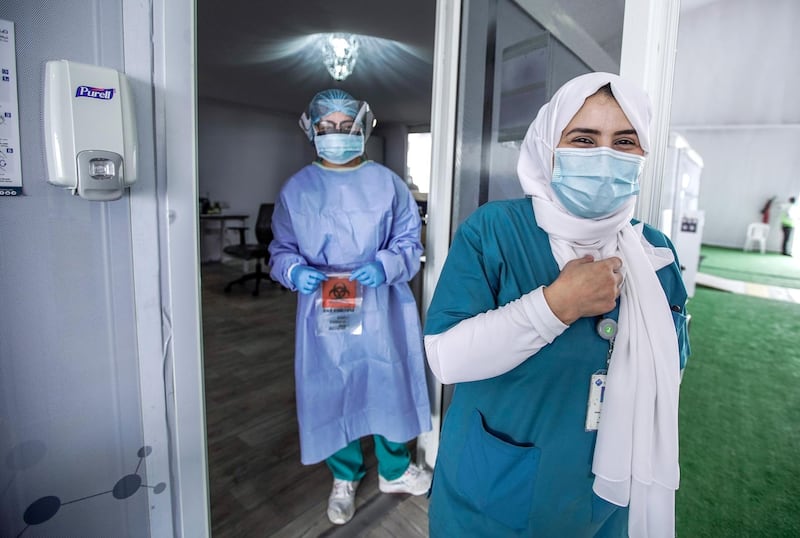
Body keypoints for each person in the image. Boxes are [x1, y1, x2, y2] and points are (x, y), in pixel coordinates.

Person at [423, 73, 691, 537]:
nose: (604, 156)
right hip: (497, 496)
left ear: (643, 153)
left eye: (624, 141)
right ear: (550, 145)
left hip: (606, 496)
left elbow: (675, 361)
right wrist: (554, 306)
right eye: (583, 139)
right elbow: (445, 358)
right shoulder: (494, 230)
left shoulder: (654, 252)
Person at [268, 89, 432, 526]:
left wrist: (387, 265)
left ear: (363, 128)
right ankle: (344, 476)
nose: (337, 134)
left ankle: (395, 470)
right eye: (328, 127)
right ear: (312, 129)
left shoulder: (388, 184)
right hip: (323, 298)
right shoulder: (297, 189)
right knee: (332, 384)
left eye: (346, 127)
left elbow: (408, 242)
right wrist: (292, 271)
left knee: (385, 377)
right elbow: (280, 249)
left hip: (379, 297)